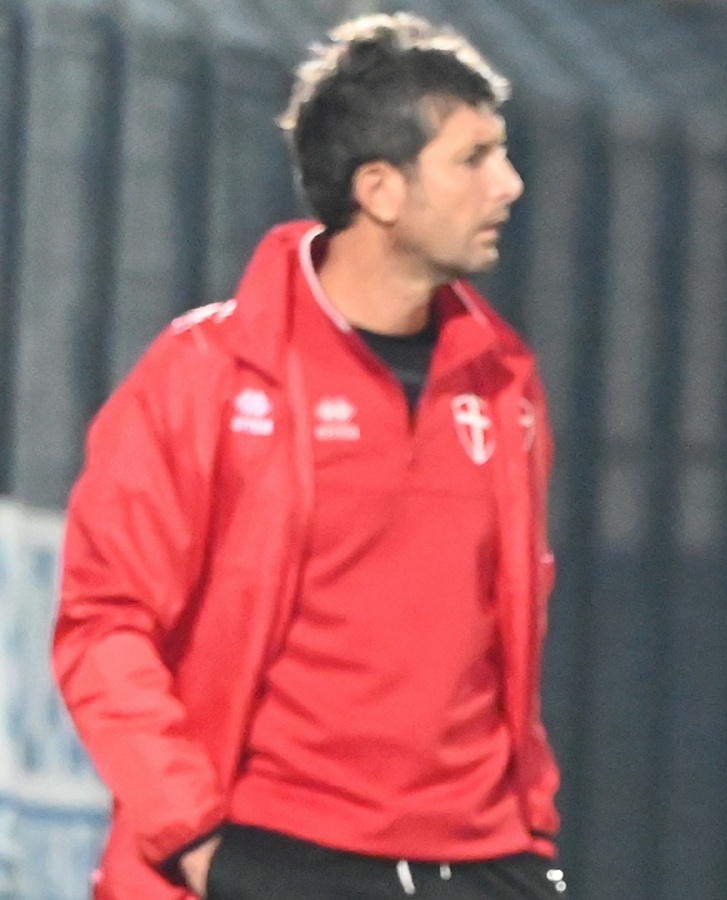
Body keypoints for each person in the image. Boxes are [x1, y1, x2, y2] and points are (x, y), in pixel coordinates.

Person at [52, 14, 568, 900]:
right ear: (380, 189)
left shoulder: (503, 381)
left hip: (482, 859)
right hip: (275, 857)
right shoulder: (207, 374)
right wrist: (198, 843)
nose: (509, 185)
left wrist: (533, 834)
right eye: (473, 157)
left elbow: (504, 641)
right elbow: (104, 623)